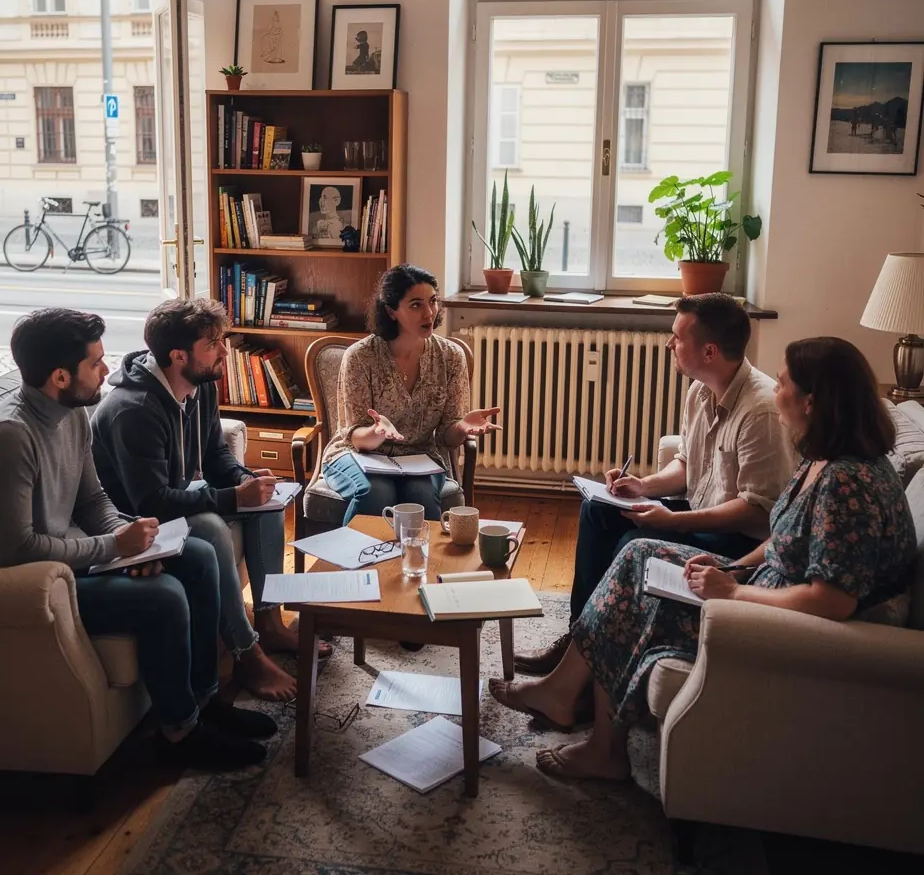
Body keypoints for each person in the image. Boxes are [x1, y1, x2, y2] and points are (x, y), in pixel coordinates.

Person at [492, 336, 917, 781]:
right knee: (636, 555)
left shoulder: (849, 485)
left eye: (786, 382)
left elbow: (833, 601)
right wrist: (730, 568)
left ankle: (600, 743)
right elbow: (780, 541)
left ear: (811, 401)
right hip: (759, 583)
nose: (777, 390)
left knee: (631, 589)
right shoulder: (822, 461)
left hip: (773, 620)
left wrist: (734, 591)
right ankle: (566, 693)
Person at [0, 308, 275, 770]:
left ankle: (204, 703)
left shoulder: (72, 414)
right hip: (19, 589)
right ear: (60, 376)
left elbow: (92, 501)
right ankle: (179, 733)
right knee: (164, 597)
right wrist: (112, 549)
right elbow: (15, 551)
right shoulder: (10, 437)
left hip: (65, 562)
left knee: (197, 557)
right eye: (96, 363)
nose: (108, 370)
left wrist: (129, 539)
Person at [515, 292, 798, 677]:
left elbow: (757, 507)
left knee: (632, 543)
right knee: (599, 509)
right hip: (701, 513)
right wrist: (643, 486)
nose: (670, 344)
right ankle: (579, 640)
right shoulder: (700, 389)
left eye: (678, 338)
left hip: (738, 540)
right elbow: (686, 463)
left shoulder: (761, 410)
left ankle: (594, 662)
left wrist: (675, 521)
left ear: (710, 351)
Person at [90, 298, 329, 692]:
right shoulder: (133, 411)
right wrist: (235, 497)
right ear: (178, 355)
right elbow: (152, 502)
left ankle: (269, 622)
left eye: (222, 339)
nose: (225, 351)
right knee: (211, 526)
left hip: (177, 497)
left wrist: (247, 480)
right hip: (137, 521)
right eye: (213, 343)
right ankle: (245, 653)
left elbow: (216, 455)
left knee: (268, 505)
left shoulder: (199, 385)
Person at [319, 264, 501, 524]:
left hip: (419, 459)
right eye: (416, 305)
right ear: (392, 311)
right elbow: (356, 437)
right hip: (358, 454)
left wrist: (461, 426)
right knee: (376, 491)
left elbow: (447, 439)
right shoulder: (361, 357)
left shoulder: (450, 357)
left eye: (433, 301)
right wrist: (377, 432)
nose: (429, 312)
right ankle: (354, 563)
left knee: (420, 496)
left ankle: (422, 564)